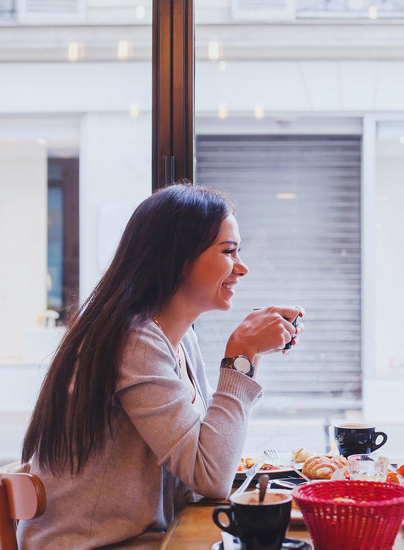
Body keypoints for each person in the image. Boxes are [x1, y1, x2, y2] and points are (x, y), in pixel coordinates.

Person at [18, 184, 303, 549]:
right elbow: (210, 477)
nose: (242, 268)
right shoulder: (134, 341)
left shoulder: (181, 339)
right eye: (229, 251)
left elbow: (200, 463)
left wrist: (250, 355)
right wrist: (241, 355)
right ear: (178, 258)